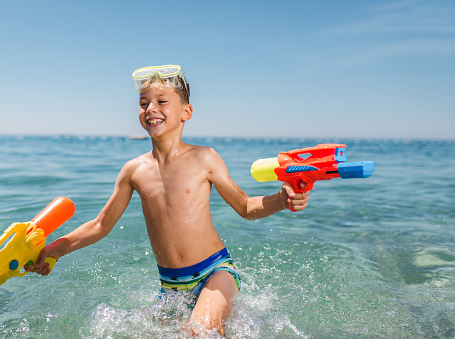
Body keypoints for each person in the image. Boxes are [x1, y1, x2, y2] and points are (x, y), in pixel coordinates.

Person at [25, 65, 309, 336]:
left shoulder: (204, 158)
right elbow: (100, 225)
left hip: (215, 271)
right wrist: (55, 249)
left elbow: (246, 207)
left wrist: (281, 200)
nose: (151, 109)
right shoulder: (133, 170)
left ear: (186, 112)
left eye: (162, 101)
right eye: (143, 102)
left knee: (199, 332)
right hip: (171, 288)